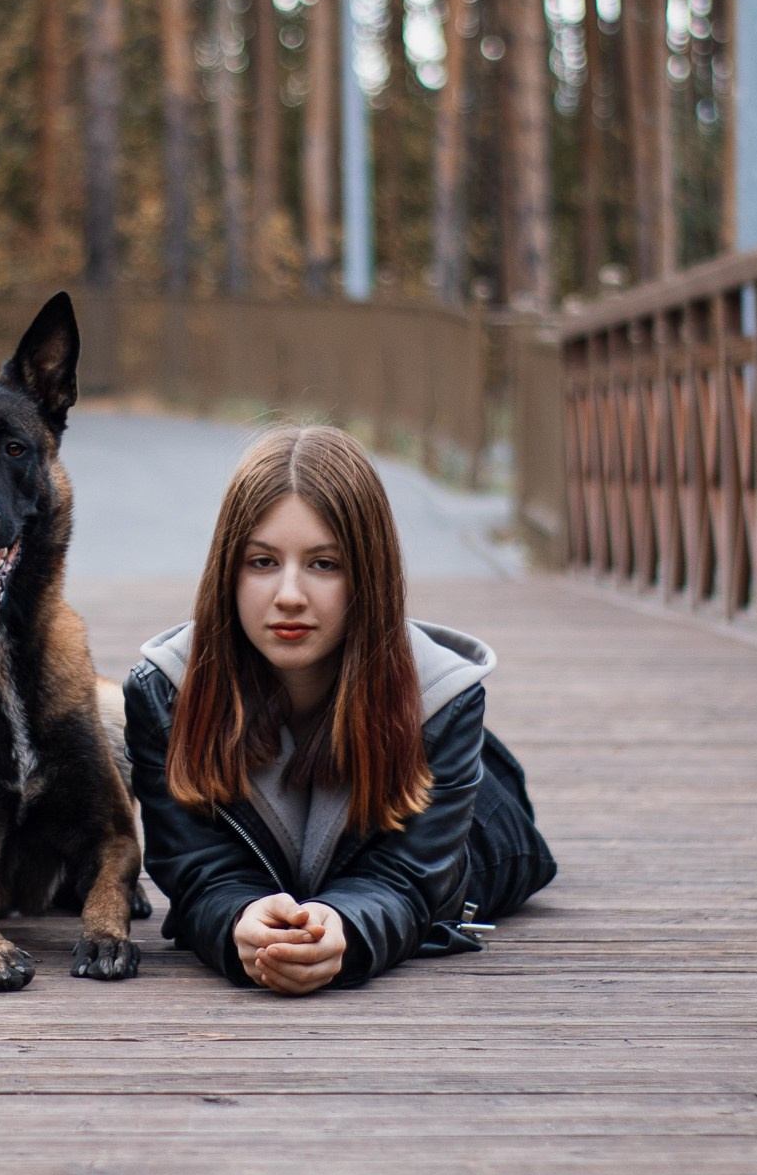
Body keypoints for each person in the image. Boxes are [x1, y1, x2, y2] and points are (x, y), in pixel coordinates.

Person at [123, 426, 554, 994]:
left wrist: (348, 930)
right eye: (262, 562)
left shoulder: (444, 703)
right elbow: (198, 869)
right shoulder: (165, 695)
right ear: (227, 570)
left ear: (366, 577)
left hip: (468, 824)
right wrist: (239, 923)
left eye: (324, 564)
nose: (290, 595)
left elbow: (412, 878)